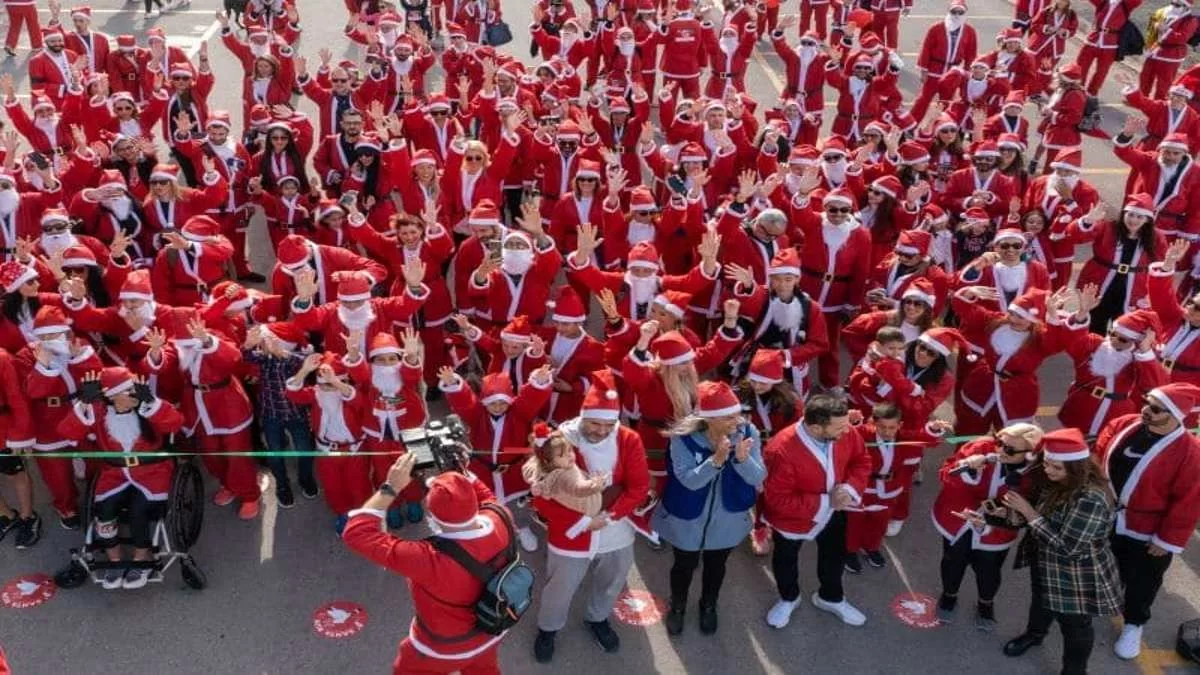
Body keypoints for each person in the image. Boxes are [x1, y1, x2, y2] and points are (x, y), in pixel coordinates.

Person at [343, 454, 515, 675]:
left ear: (432, 516)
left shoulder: (429, 559)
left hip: (443, 649)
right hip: (492, 631)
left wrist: (391, 487)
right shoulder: (501, 517)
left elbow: (356, 533)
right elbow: (485, 494)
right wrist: (459, 471)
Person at [531, 372, 650, 664]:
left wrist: (608, 517)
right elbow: (541, 493)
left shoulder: (629, 439)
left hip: (614, 524)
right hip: (571, 530)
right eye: (595, 423)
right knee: (560, 585)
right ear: (583, 415)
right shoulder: (559, 441)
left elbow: (638, 487)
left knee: (614, 576)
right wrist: (582, 523)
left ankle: (597, 618)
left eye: (608, 425)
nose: (600, 430)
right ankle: (548, 627)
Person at [999, 427, 1122, 675]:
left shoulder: (1091, 498)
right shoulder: (1056, 479)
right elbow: (1035, 512)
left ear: (1076, 467)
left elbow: (1069, 549)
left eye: (1056, 468)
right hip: (1044, 561)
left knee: (1075, 627)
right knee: (1041, 601)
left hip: (1076, 573)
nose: (1048, 471)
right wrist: (1002, 514)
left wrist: (1028, 512)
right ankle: (1035, 635)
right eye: (1047, 464)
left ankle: (1074, 671)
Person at [1092, 383, 1200, 660]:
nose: (1145, 411)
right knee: (1103, 563)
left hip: (1146, 529)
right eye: (1146, 403)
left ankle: (1133, 625)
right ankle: (1101, 600)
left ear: (1175, 415)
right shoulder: (1125, 423)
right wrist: (1099, 482)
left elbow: (1188, 503)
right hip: (1107, 515)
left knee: (1142, 581)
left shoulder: (1191, 453)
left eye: (1155, 408)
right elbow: (1100, 450)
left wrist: (1167, 541)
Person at [56, 367, 185, 589]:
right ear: (111, 396)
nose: (129, 396)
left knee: (138, 510)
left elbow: (175, 423)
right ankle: (114, 560)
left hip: (152, 472)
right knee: (103, 510)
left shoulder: (147, 408)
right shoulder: (99, 413)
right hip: (113, 473)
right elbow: (67, 432)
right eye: (124, 392)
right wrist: (84, 404)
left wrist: (152, 404)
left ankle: (140, 558)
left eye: (131, 391)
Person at [656, 381, 765, 636]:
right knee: (684, 564)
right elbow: (689, 481)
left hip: (728, 516)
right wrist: (715, 462)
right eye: (728, 417)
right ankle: (679, 605)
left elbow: (758, 477)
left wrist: (741, 459)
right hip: (688, 516)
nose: (737, 421)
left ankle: (708, 604)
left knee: (717, 565)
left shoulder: (749, 432)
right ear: (709, 419)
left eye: (736, 414)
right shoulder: (682, 439)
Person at [761, 394, 872, 629]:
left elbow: (861, 460)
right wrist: (826, 501)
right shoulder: (780, 450)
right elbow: (776, 499)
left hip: (833, 513)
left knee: (834, 555)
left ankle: (830, 597)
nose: (847, 431)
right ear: (814, 427)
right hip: (791, 521)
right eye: (839, 427)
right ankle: (788, 598)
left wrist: (851, 488)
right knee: (786, 560)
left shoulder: (844, 430)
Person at [931, 422, 1043, 630]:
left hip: (996, 533)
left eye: (1009, 449)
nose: (999, 450)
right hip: (959, 522)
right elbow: (945, 474)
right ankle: (949, 595)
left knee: (988, 572)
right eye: (999, 442)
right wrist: (967, 468)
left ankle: (986, 604)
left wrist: (1006, 513)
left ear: (1029, 453)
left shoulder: (1036, 473)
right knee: (952, 563)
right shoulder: (980, 448)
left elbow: (1035, 507)